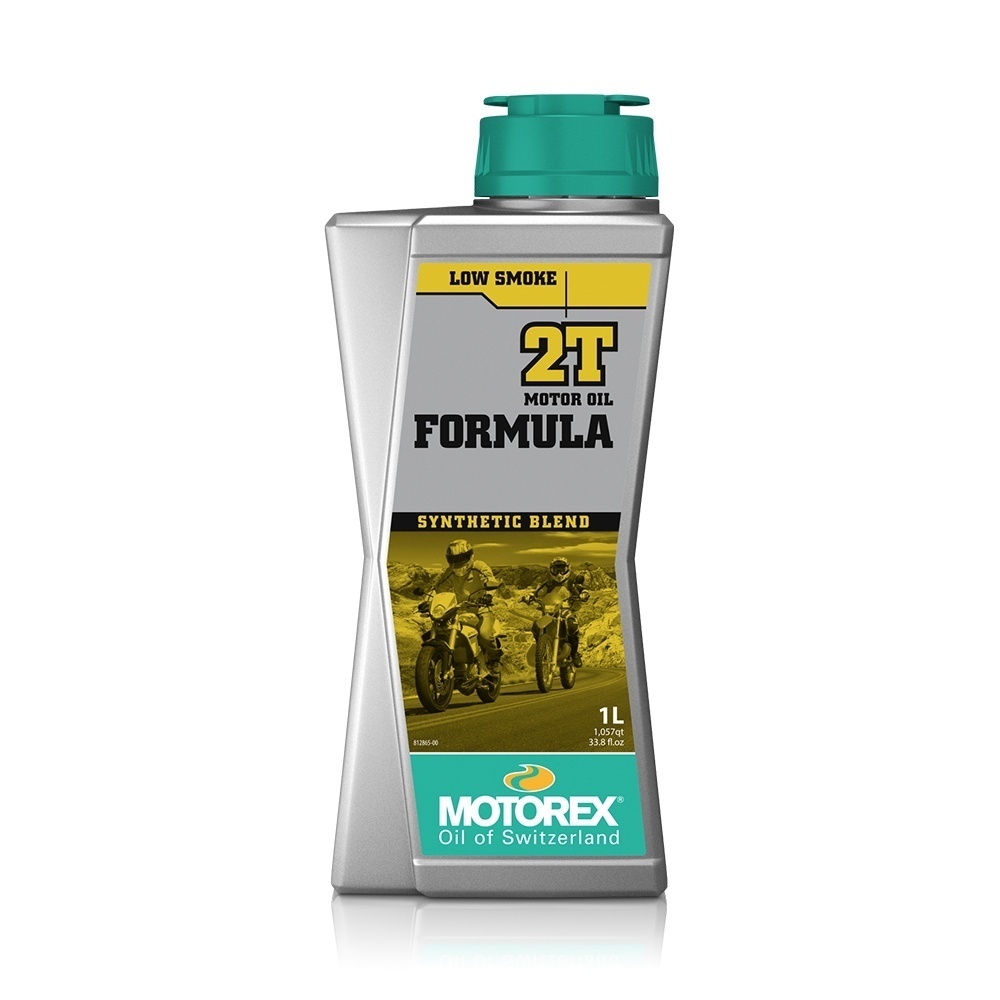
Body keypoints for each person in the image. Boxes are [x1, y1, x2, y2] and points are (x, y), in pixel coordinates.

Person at [422, 539, 502, 669]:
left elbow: (489, 580)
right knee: (443, 631)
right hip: (459, 611)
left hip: (481, 609)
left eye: (461, 558)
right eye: (453, 559)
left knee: (485, 635)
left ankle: (494, 660)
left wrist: (488, 596)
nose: (457, 562)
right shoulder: (450, 572)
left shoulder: (479, 566)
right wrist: (428, 601)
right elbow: (438, 588)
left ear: (470, 556)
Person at [526, 558, 590, 668]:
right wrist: (529, 596)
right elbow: (537, 592)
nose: (559, 573)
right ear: (551, 570)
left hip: (565, 610)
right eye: (556, 570)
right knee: (536, 626)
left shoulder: (571, 583)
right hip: (550, 611)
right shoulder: (548, 584)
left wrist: (584, 594)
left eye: (562, 570)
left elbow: (582, 589)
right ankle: (541, 647)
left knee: (572, 625)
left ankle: (574, 653)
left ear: (567, 569)